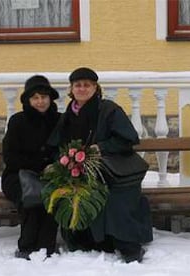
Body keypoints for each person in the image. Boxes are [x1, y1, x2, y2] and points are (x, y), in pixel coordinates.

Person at [48, 67, 153, 263]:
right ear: (71, 89)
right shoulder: (67, 116)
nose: (82, 89)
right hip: (79, 172)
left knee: (114, 198)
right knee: (72, 194)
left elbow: (128, 140)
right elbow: (56, 145)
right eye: (77, 85)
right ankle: (92, 241)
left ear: (95, 88)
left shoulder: (109, 110)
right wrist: (65, 161)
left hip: (112, 172)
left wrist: (101, 148)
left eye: (87, 85)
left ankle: (129, 246)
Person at [1, 75, 60, 260]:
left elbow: (65, 149)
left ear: (50, 98)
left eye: (44, 97)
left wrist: (55, 167)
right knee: (30, 196)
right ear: (28, 100)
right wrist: (40, 166)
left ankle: (46, 247)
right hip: (17, 174)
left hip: (52, 174)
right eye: (35, 97)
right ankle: (27, 245)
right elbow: (10, 156)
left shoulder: (59, 120)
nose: (40, 101)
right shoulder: (18, 121)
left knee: (52, 194)